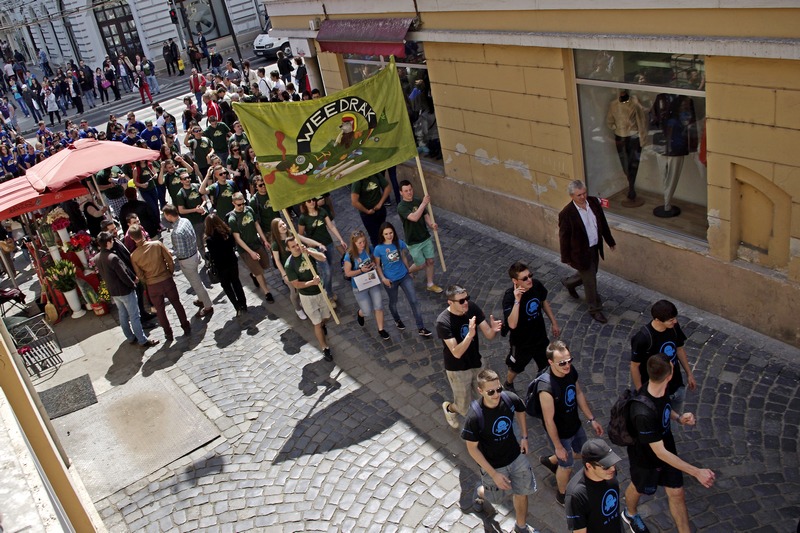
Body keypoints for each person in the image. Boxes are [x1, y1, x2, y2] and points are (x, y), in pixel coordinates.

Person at [622, 354, 716, 533]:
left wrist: (679, 418)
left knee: (677, 492)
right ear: (669, 375)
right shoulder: (642, 412)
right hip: (645, 458)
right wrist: (696, 472)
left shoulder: (660, 388)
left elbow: (664, 408)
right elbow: (660, 453)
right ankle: (630, 513)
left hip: (666, 447)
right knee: (638, 487)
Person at [461, 368, 540, 533]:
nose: (496, 394)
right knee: (496, 499)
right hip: (493, 465)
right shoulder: (474, 417)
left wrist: (524, 437)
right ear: (480, 391)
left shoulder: (509, 399)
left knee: (522, 492)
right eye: (491, 392)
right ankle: (480, 492)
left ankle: (521, 526)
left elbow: (520, 409)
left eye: (498, 389)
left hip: (516, 457)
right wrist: (494, 474)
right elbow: (472, 449)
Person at [537, 340, 604, 506]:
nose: (567, 365)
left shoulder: (570, 371)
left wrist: (592, 419)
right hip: (561, 433)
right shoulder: (546, 388)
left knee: (583, 452)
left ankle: (551, 461)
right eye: (562, 363)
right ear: (550, 362)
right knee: (566, 466)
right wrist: (558, 446)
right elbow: (549, 420)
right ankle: (562, 495)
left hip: (575, 424)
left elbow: (578, 393)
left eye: (569, 360)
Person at [436, 285, 503, 429]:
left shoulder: (471, 308)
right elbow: (456, 352)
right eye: (461, 301)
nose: (465, 302)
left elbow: (489, 334)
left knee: (485, 396)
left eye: (467, 298)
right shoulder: (443, 322)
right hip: (458, 369)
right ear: (450, 302)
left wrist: (493, 329)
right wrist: (470, 335)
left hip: (476, 362)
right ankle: (449, 409)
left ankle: (486, 424)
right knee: (463, 406)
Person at [558, 180, 616, 324]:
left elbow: (602, 222)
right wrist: (566, 258)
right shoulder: (567, 213)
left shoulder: (594, 202)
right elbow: (564, 237)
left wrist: (610, 241)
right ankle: (595, 309)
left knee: (589, 273)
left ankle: (569, 283)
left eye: (584, 193)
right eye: (579, 195)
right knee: (590, 281)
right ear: (572, 196)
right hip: (580, 252)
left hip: (594, 248)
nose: (583, 197)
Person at [502, 261, 560, 391]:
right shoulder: (509, 297)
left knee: (545, 364)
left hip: (540, 337)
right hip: (521, 342)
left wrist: (554, 322)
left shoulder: (536, 285)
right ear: (515, 281)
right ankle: (508, 383)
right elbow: (512, 324)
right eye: (524, 278)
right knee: (516, 367)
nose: (529, 280)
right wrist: (517, 301)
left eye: (530, 275)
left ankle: (544, 385)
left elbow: (543, 302)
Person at [630, 300, 696, 414]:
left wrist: (689, 374)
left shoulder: (674, 327)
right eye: (671, 320)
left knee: (675, 417)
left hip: (676, 386)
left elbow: (679, 349)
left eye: (674, 318)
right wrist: (641, 394)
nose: (675, 321)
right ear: (657, 319)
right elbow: (634, 366)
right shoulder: (642, 338)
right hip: (656, 393)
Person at [95, 231, 159, 347]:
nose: (113, 242)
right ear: (108, 243)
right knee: (134, 316)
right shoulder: (113, 258)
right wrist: (133, 285)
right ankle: (142, 340)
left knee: (123, 315)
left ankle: (130, 337)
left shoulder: (97, 257)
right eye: (112, 241)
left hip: (114, 292)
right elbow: (123, 275)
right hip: (125, 291)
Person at [129, 224, 192, 341]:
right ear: (142, 233)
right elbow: (169, 260)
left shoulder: (134, 256)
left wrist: (148, 282)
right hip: (166, 279)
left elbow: (140, 275)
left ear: (132, 238)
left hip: (152, 285)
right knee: (177, 304)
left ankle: (168, 333)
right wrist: (169, 272)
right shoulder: (157, 244)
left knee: (160, 310)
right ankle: (186, 326)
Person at [373, 221, 432, 337]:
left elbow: (403, 256)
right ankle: (397, 319)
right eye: (386, 234)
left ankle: (421, 327)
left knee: (414, 301)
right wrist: (383, 278)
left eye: (391, 233)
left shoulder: (399, 243)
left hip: (404, 276)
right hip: (390, 280)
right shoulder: (378, 249)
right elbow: (378, 266)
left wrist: (408, 270)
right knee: (393, 302)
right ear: (382, 235)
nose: (389, 236)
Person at [284, 236, 332, 361]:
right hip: (307, 297)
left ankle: (322, 324)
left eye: (297, 244)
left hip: (320, 291)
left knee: (326, 316)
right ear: (288, 249)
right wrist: (311, 282)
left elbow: (323, 258)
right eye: (293, 246)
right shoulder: (289, 265)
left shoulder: (307, 252)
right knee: (316, 323)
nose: (296, 247)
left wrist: (309, 251)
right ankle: (325, 347)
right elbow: (296, 284)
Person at [162, 204, 213, 318]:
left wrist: (170, 252)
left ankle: (208, 306)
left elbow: (181, 252)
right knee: (196, 281)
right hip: (195, 254)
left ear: (169, 216)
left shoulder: (176, 232)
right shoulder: (185, 220)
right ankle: (201, 299)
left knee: (197, 284)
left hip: (187, 261)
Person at [565, 439, 623, 533]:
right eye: (606, 466)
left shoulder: (609, 473)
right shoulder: (576, 495)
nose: (612, 469)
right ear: (589, 466)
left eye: (612, 463)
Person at [227, 192, 274, 303]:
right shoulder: (232, 219)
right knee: (259, 272)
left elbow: (256, 225)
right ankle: (267, 292)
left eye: (243, 203)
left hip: (256, 243)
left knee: (265, 265)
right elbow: (238, 239)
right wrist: (251, 252)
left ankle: (253, 274)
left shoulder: (249, 210)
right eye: (239, 204)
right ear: (233, 203)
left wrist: (264, 240)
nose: (241, 206)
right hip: (245, 249)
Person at [397, 180, 443, 294]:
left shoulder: (417, 200)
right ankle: (407, 271)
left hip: (425, 237)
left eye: (410, 189)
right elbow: (414, 217)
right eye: (406, 191)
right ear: (401, 193)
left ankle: (430, 284)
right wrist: (423, 204)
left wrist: (431, 224)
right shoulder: (401, 207)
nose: (409, 192)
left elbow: (425, 214)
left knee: (430, 261)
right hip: (413, 241)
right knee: (421, 264)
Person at [298, 197, 346, 303]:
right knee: (326, 271)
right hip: (316, 248)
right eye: (308, 200)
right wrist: (307, 246)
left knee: (329, 268)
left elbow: (331, 226)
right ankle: (328, 295)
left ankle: (326, 290)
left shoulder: (322, 211)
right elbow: (300, 235)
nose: (312, 202)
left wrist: (340, 239)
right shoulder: (303, 218)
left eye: (313, 200)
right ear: (304, 203)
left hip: (328, 243)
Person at [343, 229, 389, 341]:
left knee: (378, 306)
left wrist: (374, 264)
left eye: (364, 241)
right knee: (367, 311)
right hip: (359, 286)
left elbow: (376, 261)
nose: (363, 244)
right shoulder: (349, 256)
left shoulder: (369, 249)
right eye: (360, 243)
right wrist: (361, 270)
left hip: (372, 281)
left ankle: (381, 329)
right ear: (354, 243)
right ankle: (360, 313)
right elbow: (347, 273)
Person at [205, 213, 248, 315]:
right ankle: (243, 304)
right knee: (236, 283)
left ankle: (237, 306)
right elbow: (233, 245)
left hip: (221, 267)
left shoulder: (209, 239)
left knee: (227, 287)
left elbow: (213, 255)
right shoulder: (227, 233)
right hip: (232, 261)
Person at [351, 172, 390, 247]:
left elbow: (387, 187)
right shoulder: (357, 181)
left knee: (384, 233)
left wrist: (380, 203)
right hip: (367, 215)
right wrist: (367, 211)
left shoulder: (375, 174)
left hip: (380, 210)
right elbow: (354, 201)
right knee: (374, 237)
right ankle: (378, 252)